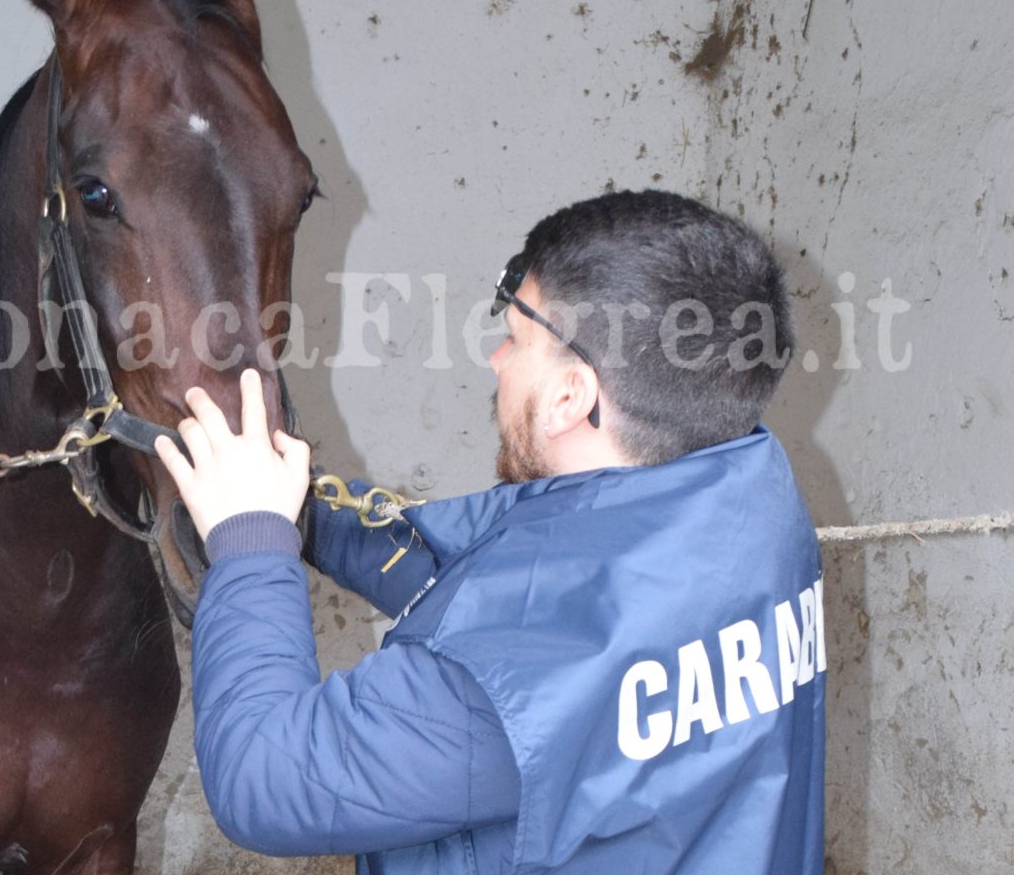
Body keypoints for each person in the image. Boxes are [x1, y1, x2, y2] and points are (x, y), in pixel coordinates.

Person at [154, 189, 826, 874]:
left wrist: (251, 540)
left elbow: (263, 777)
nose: (496, 360)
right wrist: (310, 515)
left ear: (571, 396)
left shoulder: (503, 688)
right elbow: (496, 576)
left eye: (515, 339)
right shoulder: (750, 493)